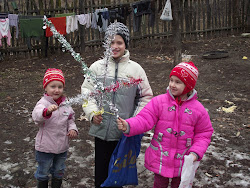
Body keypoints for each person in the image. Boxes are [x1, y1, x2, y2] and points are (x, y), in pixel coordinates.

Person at [117, 62, 214, 188]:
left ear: (188, 86)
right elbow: (145, 118)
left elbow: (204, 133)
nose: (172, 85)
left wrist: (195, 153)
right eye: (171, 80)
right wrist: (128, 125)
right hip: (161, 157)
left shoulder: (198, 109)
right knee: (159, 184)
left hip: (183, 160)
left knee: (179, 185)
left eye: (178, 82)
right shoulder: (159, 102)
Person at [81, 22, 153, 188]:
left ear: (126, 44)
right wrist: (92, 113)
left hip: (123, 135)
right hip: (101, 132)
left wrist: (133, 123)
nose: (115, 46)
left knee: (117, 176)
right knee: (101, 173)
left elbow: (145, 97)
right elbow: (86, 92)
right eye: (111, 42)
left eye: (119, 42)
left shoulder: (136, 70)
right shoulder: (97, 68)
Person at [32, 68, 78, 188]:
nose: (57, 90)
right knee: (43, 171)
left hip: (62, 146)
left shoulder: (65, 104)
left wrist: (72, 129)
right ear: (45, 88)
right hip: (45, 147)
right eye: (53, 86)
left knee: (59, 170)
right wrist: (46, 112)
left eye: (60, 87)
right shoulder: (43, 103)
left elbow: (70, 118)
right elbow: (36, 116)